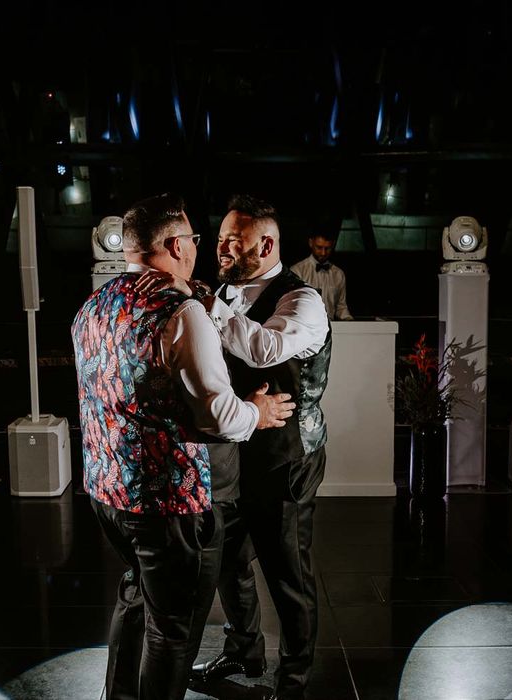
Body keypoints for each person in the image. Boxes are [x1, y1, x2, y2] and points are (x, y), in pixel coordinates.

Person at [71, 193, 295, 700]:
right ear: (175, 244)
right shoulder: (182, 312)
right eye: (193, 239)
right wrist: (256, 412)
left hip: (108, 493)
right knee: (171, 631)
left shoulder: (92, 307)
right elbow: (215, 414)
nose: (198, 247)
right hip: (167, 502)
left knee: (135, 600)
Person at [137, 194, 332, 700]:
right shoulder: (217, 292)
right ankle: (244, 649)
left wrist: (200, 304)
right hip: (232, 453)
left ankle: (292, 682)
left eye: (233, 240)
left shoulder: (302, 299)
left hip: (287, 457)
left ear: (266, 243)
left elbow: (264, 348)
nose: (220, 248)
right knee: (227, 560)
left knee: (287, 572)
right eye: (219, 239)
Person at [290, 231, 353, 321]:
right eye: (319, 247)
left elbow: (341, 307)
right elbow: (293, 305)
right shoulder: (297, 271)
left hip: (332, 327)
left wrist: (350, 322)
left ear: (333, 245)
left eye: (327, 248)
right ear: (311, 243)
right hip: (305, 327)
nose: (323, 253)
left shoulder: (338, 274)